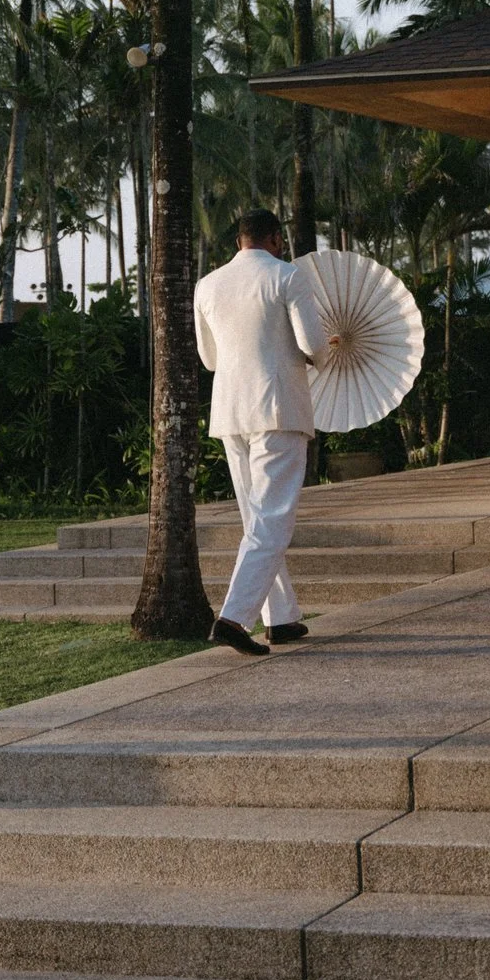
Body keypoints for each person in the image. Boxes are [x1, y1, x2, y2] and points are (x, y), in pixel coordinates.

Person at [195, 209, 337, 656]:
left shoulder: (208, 285)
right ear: (275, 238)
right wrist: (324, 354)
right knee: (272, 520)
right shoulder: (287, 276)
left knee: (257, 519)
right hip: (277, 408)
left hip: (230, 412)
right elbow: (312, 344)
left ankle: (282, 618)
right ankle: (234, 617)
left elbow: (210, 360)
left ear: (239, 241)